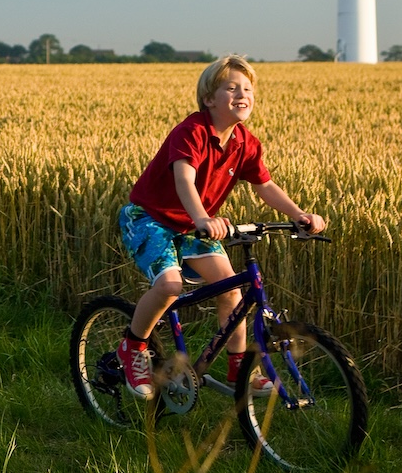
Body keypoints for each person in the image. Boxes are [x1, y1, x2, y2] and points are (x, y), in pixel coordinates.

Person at [114, 55, 326, 401]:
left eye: (247, 88)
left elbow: (265, 186)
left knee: (231, 290)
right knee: (170, 284)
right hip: (150, 217)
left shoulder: (246, 142)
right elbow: (185, 178)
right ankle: (133, 347)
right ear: (209, 99)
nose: (241, 93)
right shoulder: (192, 132)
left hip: (194, 225)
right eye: (231, 87)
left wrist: (300, 214)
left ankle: (239, 369)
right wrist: (202, 218)